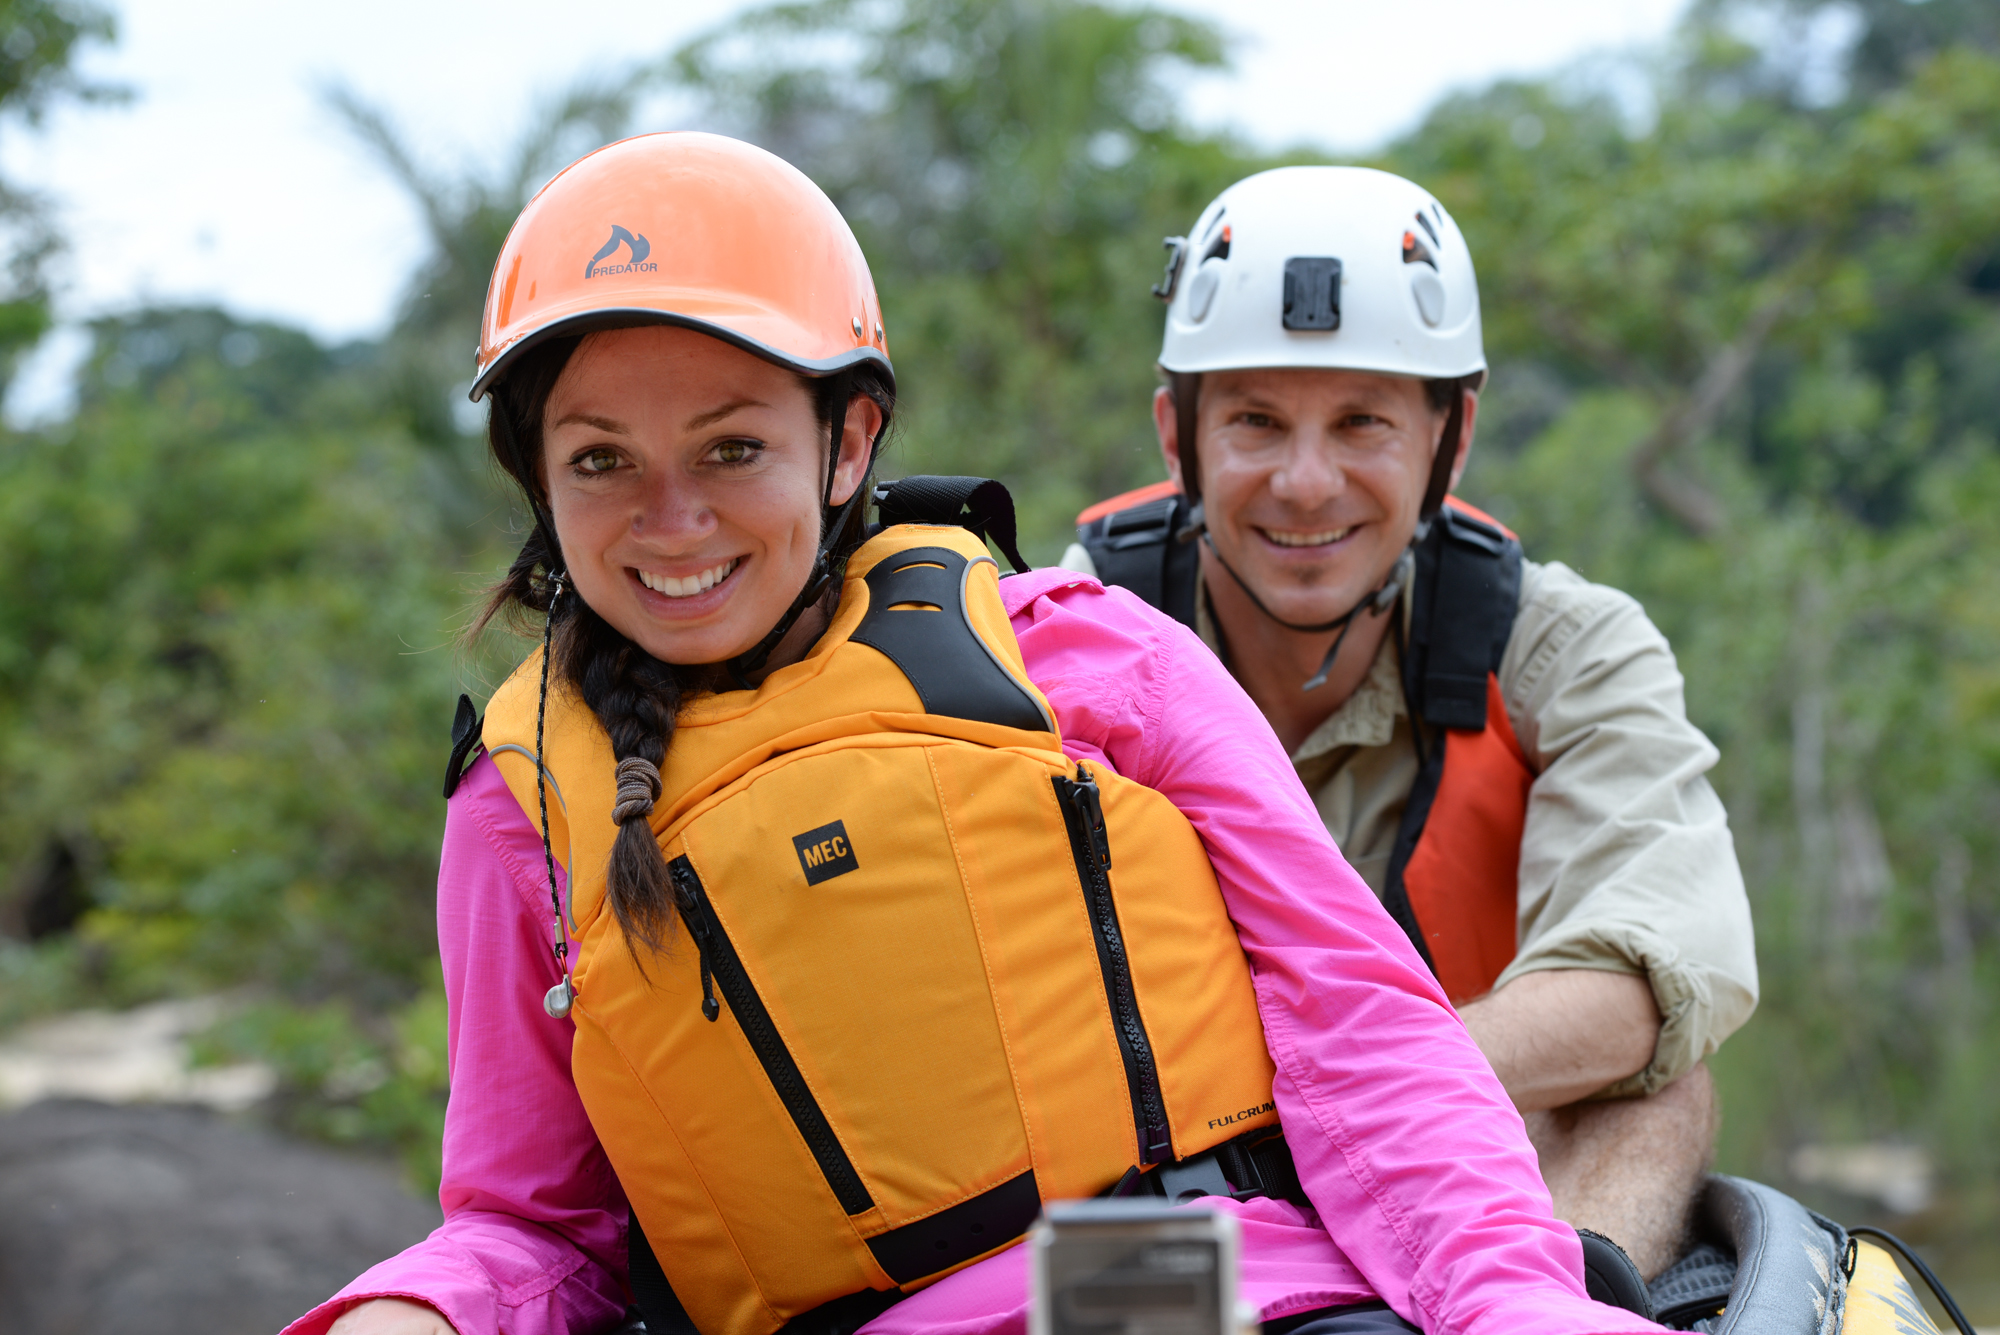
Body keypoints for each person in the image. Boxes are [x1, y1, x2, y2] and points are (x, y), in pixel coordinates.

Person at [286, 133, 1667, 1335]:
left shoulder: (1088, 650)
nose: (673, 514)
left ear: (845, 440)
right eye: (600, 460)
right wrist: (416, 1304)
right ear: (539, 476)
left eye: (730, 447)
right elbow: (535, 1230)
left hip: (1209, 1281)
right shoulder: (520, 803)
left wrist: (1511, 1298)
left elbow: (1361, 1031)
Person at [1062, 167, 1758, 1280]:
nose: (1303, 482)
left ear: (1451, 438)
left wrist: (1350, 1101)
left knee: (1658, 1087)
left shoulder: (1562, 648)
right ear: (1174, 434)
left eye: (1361, 423)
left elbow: (1645, 981)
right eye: (1252, 420)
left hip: (1473, 1178)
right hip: (1169, 1197)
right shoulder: (1055, 648)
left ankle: (1558, 1309)